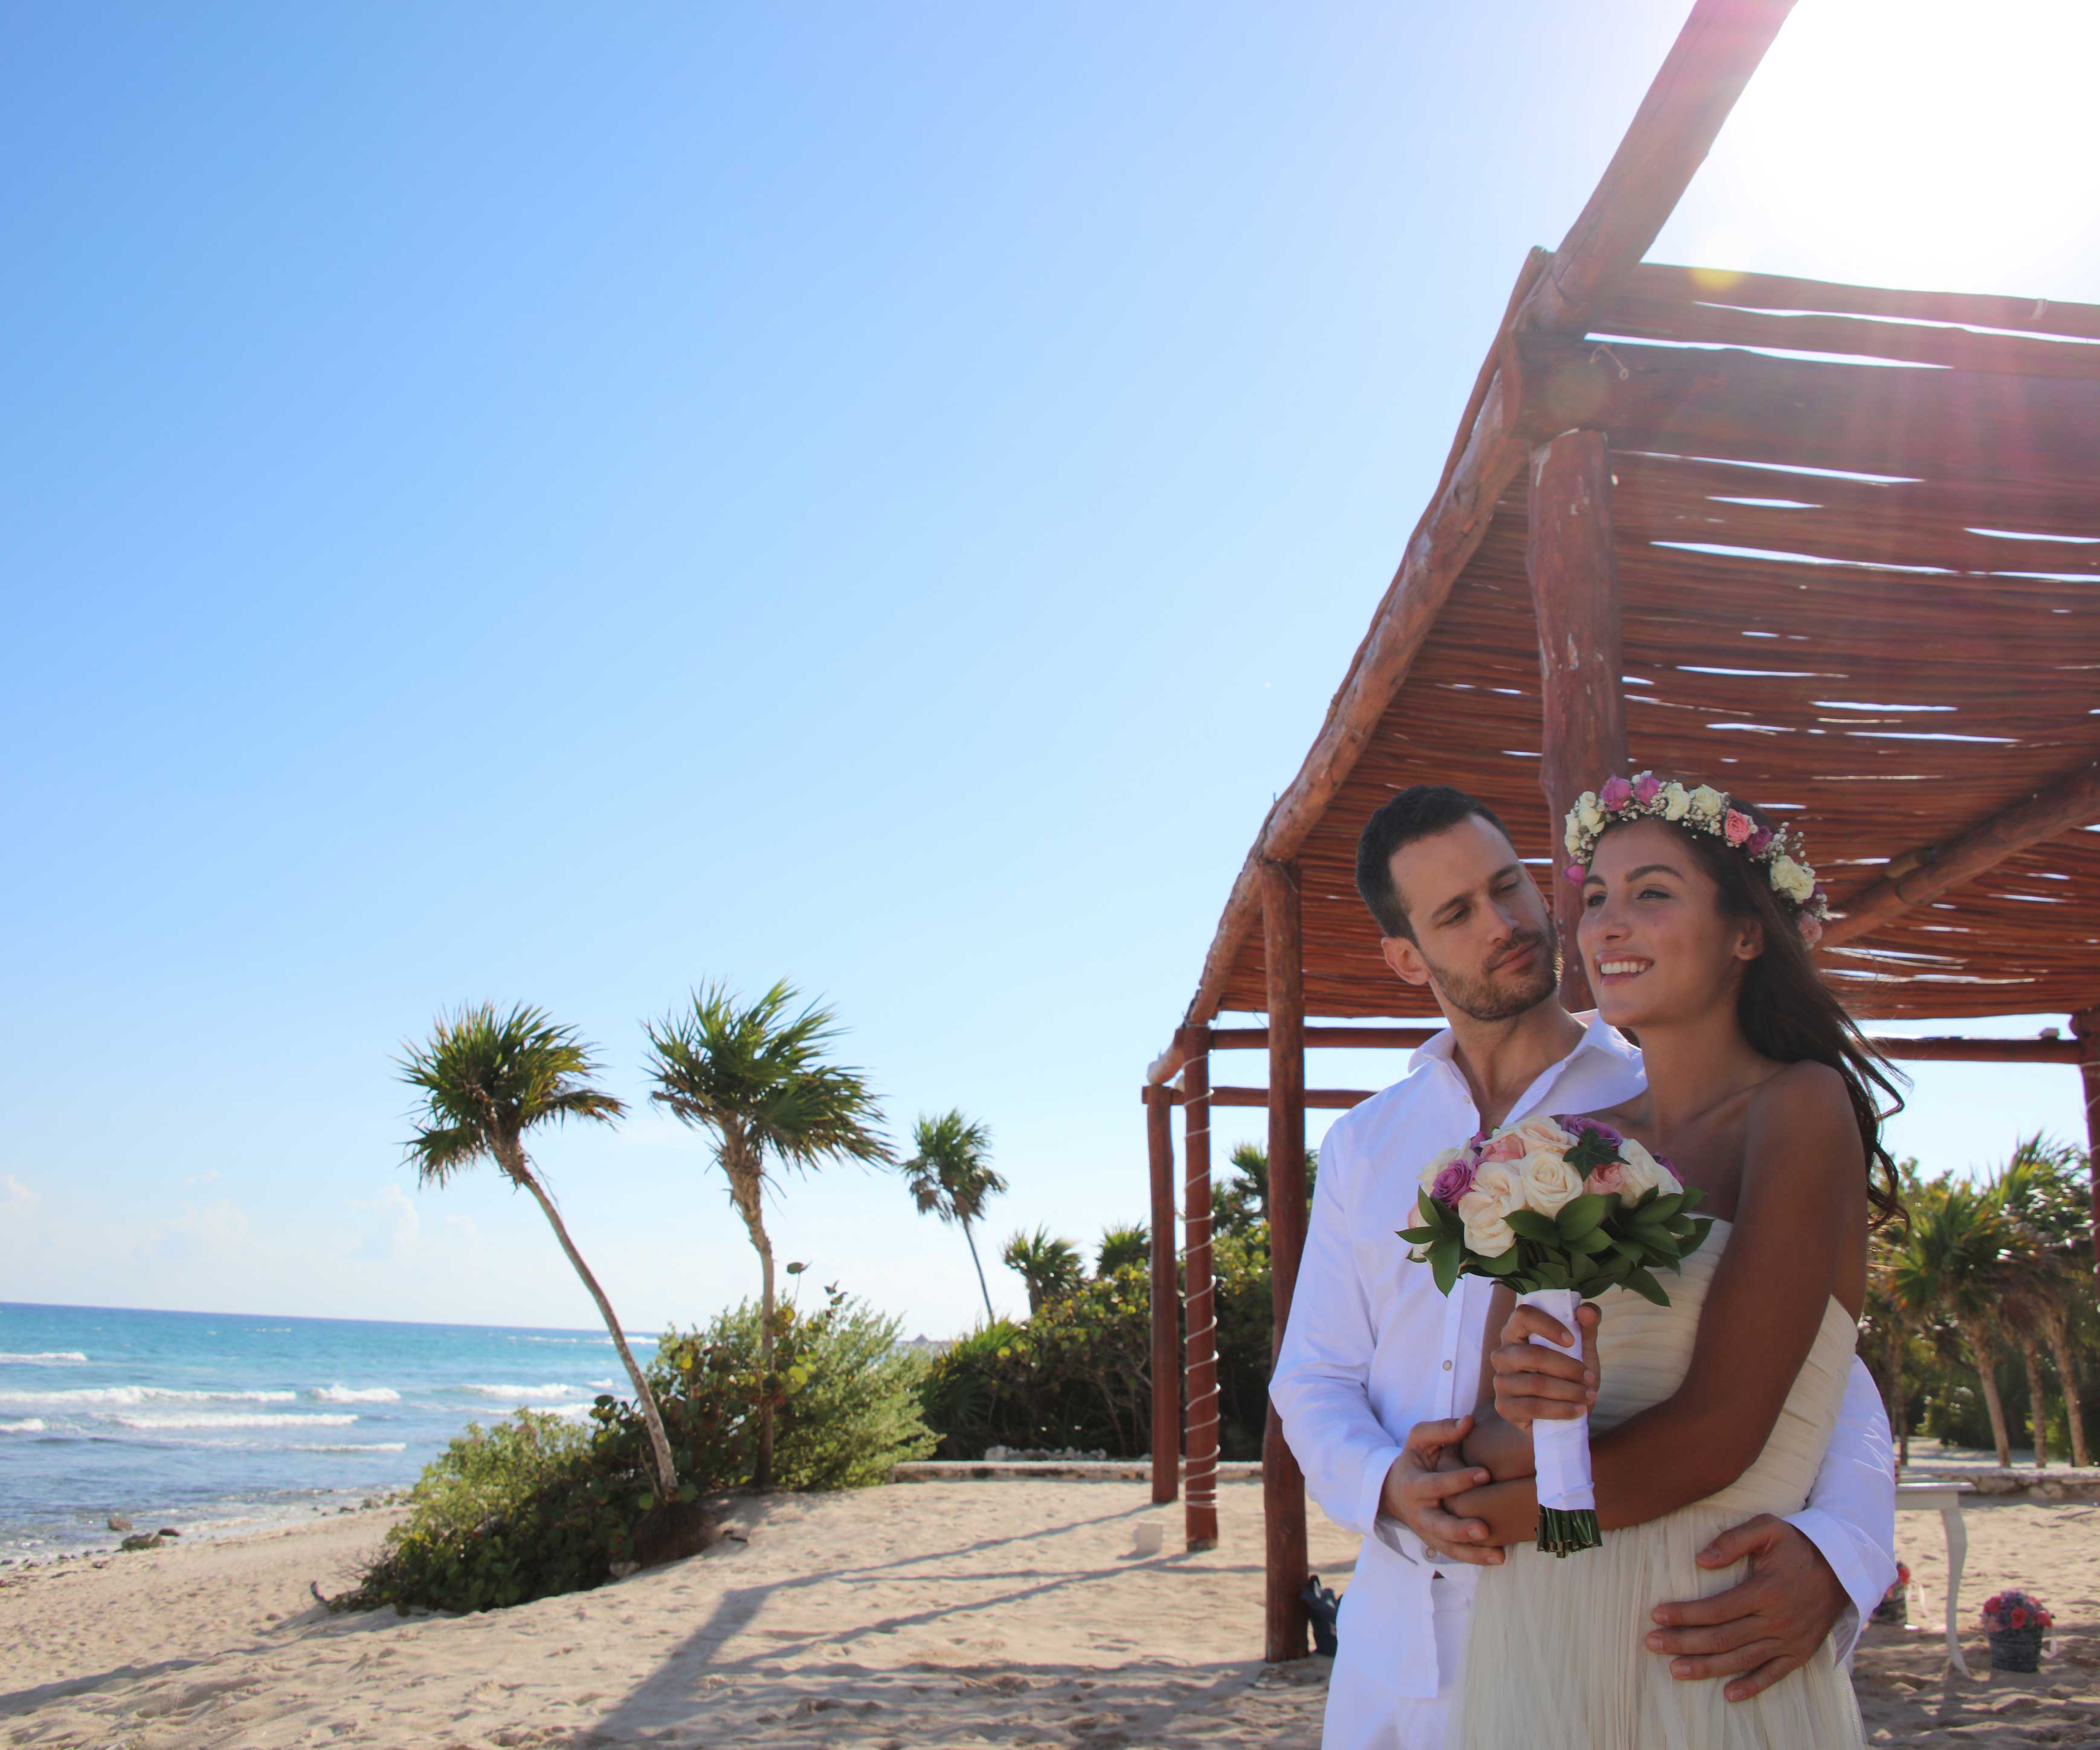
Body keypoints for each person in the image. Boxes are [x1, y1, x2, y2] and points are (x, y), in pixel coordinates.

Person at [1269, 784, 1896, 1750]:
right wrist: (1398, 1488)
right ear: (1406, 957)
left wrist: (1843, 1549)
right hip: (1409, 1648)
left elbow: (1824, 1367)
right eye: (1455, 914)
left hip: (1669, 1617)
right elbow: (1314, 1376)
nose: (1507, 924)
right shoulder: (1368, 1144)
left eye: (1510, 887)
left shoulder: (1675, 1094)